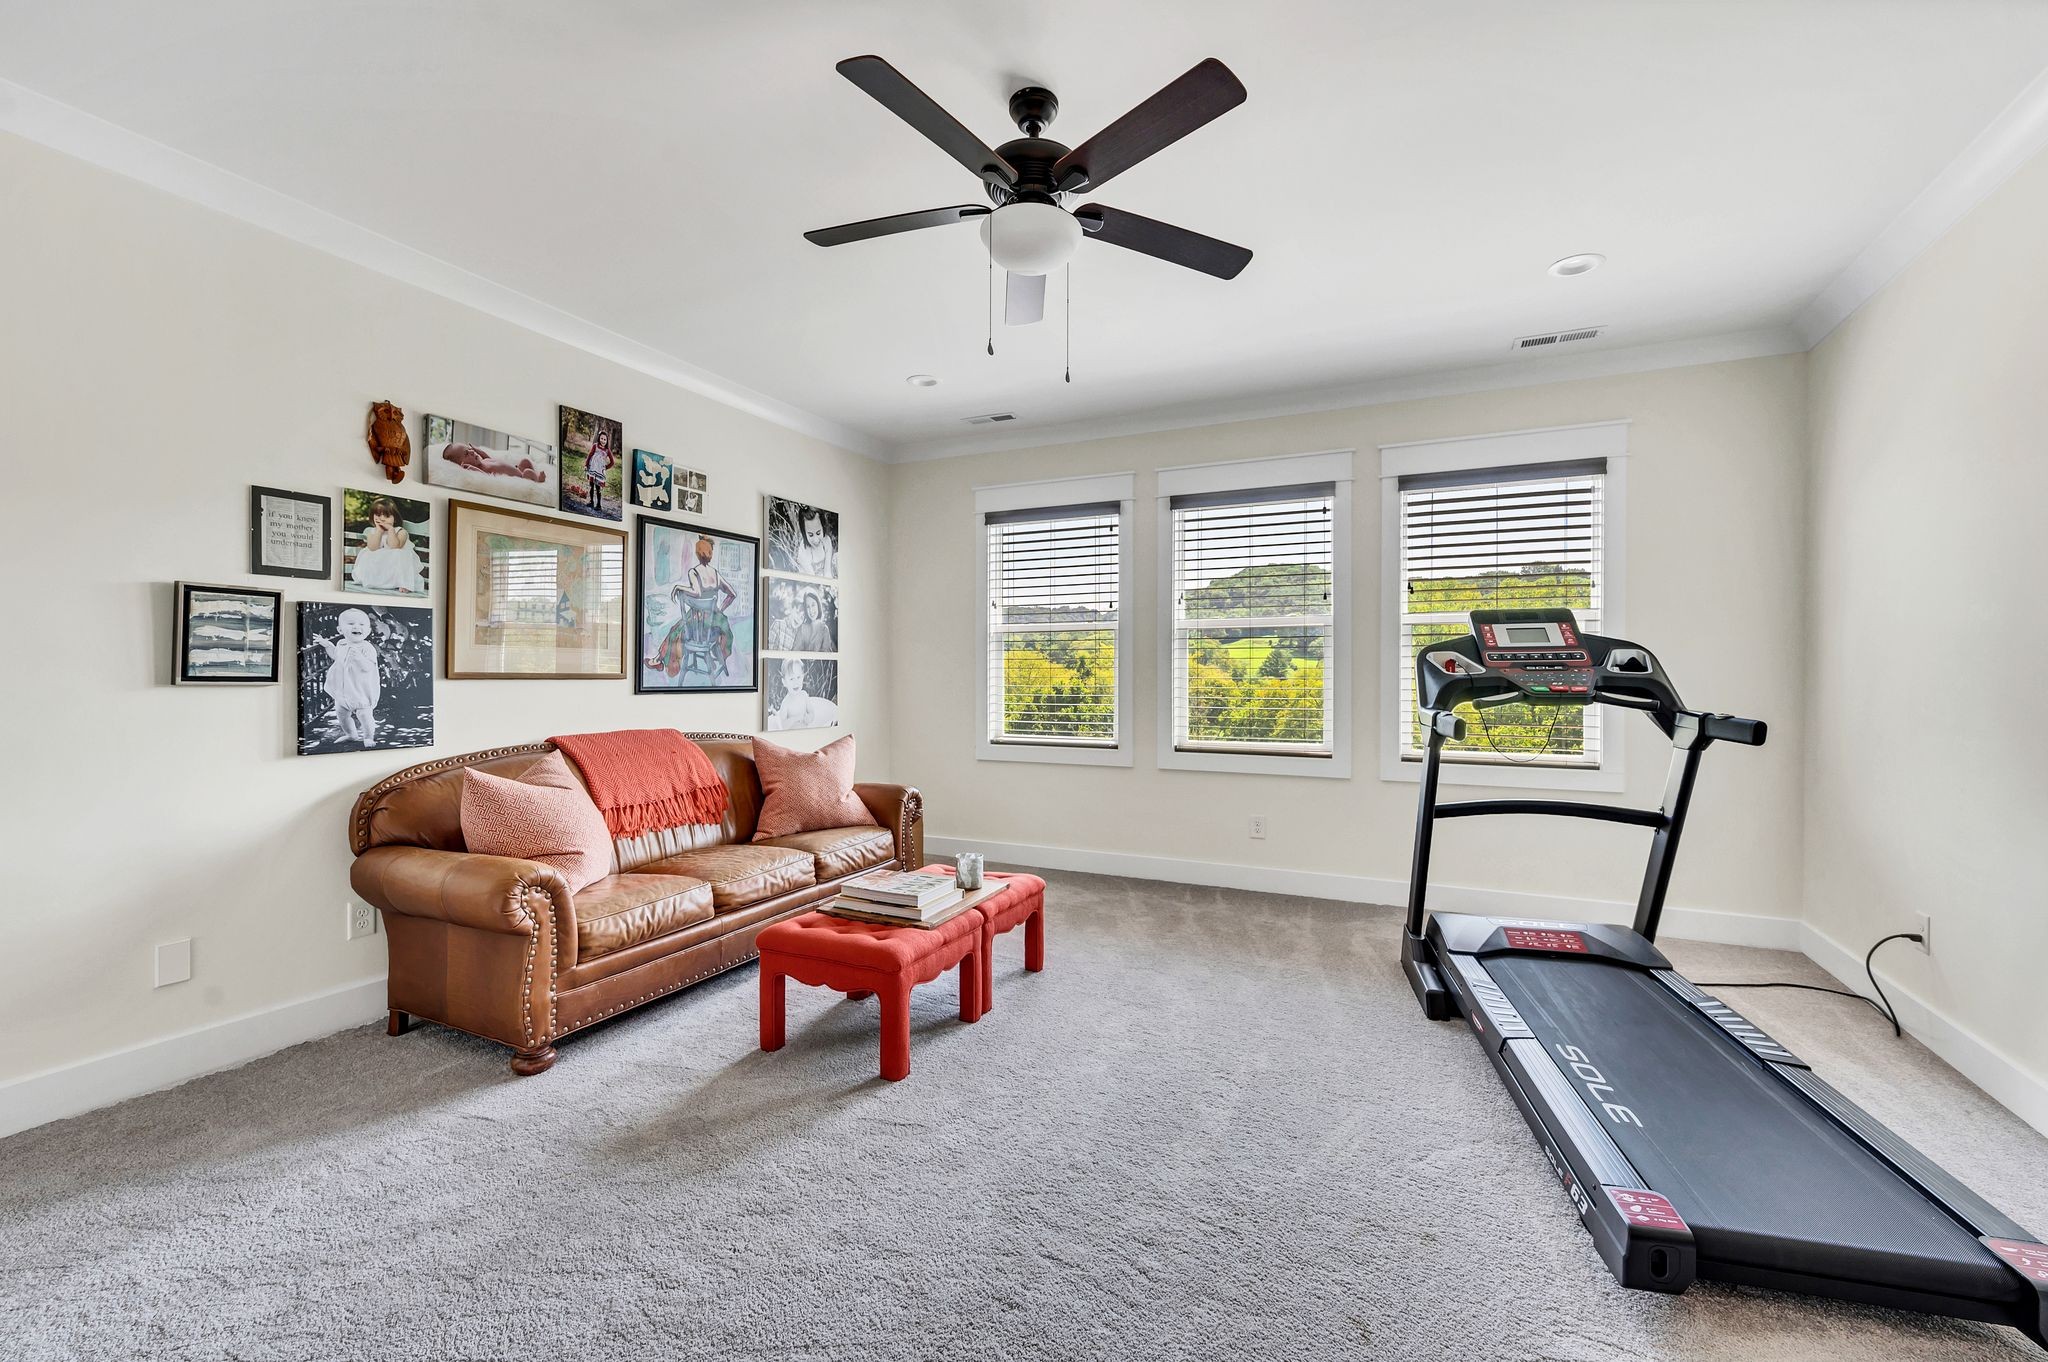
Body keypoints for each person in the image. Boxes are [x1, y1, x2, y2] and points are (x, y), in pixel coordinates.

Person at [646, 535, 737, 680]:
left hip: (698, 629)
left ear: (697, 553)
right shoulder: (715, 573)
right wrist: (719, 609)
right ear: (710, 554)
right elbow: (732, 594)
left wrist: (678, 586)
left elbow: (697, 592)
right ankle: (658, 659)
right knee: (677, 629)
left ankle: (658, 660)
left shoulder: (694, 572)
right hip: (713, 627)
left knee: (675, 631)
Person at [311, 607, 380, 746]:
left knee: (364, 715)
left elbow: (368, 667)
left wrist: (360, 658)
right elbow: (336, 656)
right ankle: (351, 734)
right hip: (343, 689)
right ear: (340, 630)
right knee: (342, 713)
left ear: (368, 630)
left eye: (362, 624)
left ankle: (368, 737)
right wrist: (327, 645)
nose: (356, 627)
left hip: (361, 690)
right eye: (351, 624)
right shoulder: (341, 644)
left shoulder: (367, 648)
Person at [349, 497, 425, 594]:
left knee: (398, 554)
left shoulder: (401, 532)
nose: (382, 518)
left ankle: (404, 583)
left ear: (395, 519)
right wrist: (379, 531)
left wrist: (391, 530)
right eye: (378, 515)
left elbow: (395, 546)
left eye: (386, 516)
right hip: (382, 569)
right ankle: (375, 581)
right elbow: (373, 548)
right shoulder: (373, 532)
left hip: (398, 566)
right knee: (368, 554)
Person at [768, 657, 838, 730]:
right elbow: (783, 726)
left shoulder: (804, 695)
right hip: (791, 736)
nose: (796, 682)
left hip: (805, 732)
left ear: (803, 677)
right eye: (791, 679)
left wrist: (809, 718)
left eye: (798, 677)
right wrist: (795, 718)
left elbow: (811, 713)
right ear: (784, 682)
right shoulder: (785, 703)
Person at [793, 506, 835, 577]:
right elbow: (811, 576)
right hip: (810, 581)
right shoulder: (803, 548)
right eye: (810, 535)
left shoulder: (826, 541)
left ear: (823, 527)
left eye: (818, 533)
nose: (816, 540)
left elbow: (828, 572)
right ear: (804, 533)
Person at [582, 427, 614, 513]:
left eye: (605, 439)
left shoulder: (607, 450)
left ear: (607, 441)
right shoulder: (595, 446)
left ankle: (599, 505)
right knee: (591, 485)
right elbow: (589, 456)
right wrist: (586, 465)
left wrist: (605, 468)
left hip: (600, 472)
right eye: (602, 438)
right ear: (599, 438)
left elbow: (612, 462)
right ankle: (591, 502)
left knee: (598, 487)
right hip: (592, 469)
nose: (603, 440)